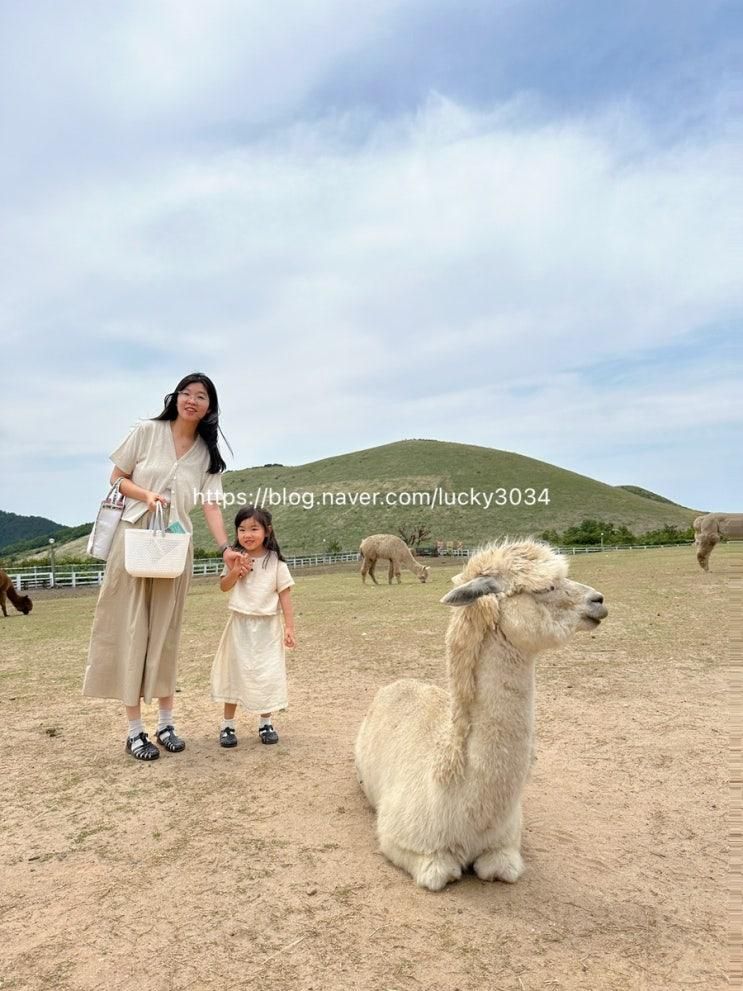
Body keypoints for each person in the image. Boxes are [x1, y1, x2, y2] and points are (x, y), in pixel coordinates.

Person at [83, 373, 242, 761]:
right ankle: (134, 730)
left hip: (175, 546)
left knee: (166, 634)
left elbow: (210, 505)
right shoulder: (146, 430)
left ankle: (166, 722)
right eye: (186, 393)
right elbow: (116, 479)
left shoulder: (208, 456)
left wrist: (225, 548)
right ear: (176, 397)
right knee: (132, 629)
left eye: (200, 396)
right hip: (133, 540)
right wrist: (146, 493)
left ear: (210, 406)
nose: (192, 400)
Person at [210, 506, 296, 747]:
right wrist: (236, 571)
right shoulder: (234, 558)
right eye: (242, 529)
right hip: (240, 626)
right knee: (234, 673)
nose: (247, 534)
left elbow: (285, 596)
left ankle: (265, 722)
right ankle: (227, 725)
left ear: (267, 531)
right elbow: (224, 587)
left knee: (266, 673)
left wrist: (289, 627)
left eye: (254, 529)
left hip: (268, 627)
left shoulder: (276, 563)